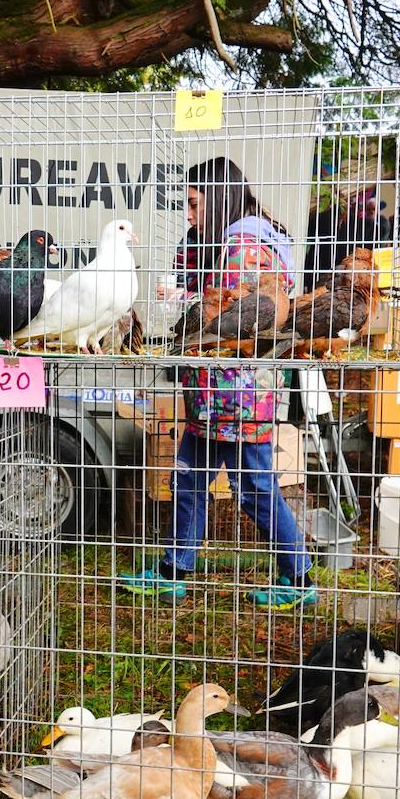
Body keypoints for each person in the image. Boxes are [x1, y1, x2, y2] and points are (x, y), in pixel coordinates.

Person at [122, 157, 315, 610]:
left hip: (235, 393)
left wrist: (183, 300)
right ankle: (174, 569)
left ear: (220, 195)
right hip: (220, 393)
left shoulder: (242, 248)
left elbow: (224, 321)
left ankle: (299, 574)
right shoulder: (254, 237)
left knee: (254, 490)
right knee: (189, 479)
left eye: (194, 203)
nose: (189, 214)